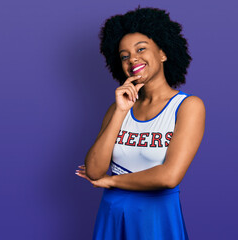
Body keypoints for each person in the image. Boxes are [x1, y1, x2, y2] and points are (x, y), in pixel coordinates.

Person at [75, 7, 205, 240]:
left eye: (141, 49)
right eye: (124, 56)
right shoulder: (118, 108)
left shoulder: (188, 106)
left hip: (156, 218)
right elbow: (94, 170)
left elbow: (169, 176)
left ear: (163, 53)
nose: (132, 59)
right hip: (112, 215)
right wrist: (121, 112)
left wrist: (112, 181)